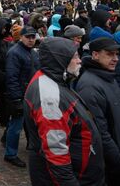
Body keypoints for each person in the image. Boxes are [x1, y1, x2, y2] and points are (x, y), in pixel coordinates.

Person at [24, 37, 106, 185]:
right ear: (60, 60)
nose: (80, 60)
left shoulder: (53, 79)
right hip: (73, 176)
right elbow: (56, 152)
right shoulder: (50, 98)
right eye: (75, 57)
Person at [76, 37, 120, 185]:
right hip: (108, 160)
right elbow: (100, 132)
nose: (115, 59)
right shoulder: (90, 86)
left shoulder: (107, 75)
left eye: (116, 54)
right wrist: (116, 158)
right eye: (109, 54)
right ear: (95, 55)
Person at [3, 26, 39, 168]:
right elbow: (11, 77)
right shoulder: (14, 53)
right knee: (16, 125)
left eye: (33, 37)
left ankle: (8, 139)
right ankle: (10, 154)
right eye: (28, 37)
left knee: (25, 123)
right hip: (21, 94)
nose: (31, 40)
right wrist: (16, 98)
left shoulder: (33, 52)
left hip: (31, 93)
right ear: (22, 37)